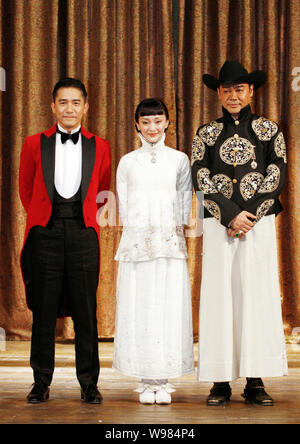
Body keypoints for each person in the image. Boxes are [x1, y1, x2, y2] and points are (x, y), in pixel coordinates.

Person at [191, 61, 288, 406]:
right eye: (227, 89)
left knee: (256, 296)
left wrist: (250, 216)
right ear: (218, 93)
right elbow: (200, 177)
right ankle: (219, 379)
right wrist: (230, 216)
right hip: (220, 225)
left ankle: (256, 378)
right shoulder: (205, 133)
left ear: (250, 91)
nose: (233, 96)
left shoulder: (269, 130)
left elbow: (276, 173)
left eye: (239, 89)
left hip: (258, 225)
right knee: (219, 296)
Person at [19, 77, 111, 404]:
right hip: (46, 232)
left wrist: (85, 220)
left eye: (76, 102)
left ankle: (89, 383)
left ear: (86, 106)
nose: (69, 108)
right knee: (43, 311)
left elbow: (103, 189)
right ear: (52, 106)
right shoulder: (33, 143)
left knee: (86, 312)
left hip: (84, 233)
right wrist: (45, 220)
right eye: (63, 102)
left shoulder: (101, 146)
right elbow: (26, 190)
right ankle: (40, 382)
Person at [113, 98, 194, 404]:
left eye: (158, 121)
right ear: (137, 124)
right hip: (137, 247)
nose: (152, 128)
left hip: (169, 247)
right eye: (146, 122)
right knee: (140, 308)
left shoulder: (179, 160)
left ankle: (164, 379)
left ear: (167, 123)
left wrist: (172, 232)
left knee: (167, 310)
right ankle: (146, 380)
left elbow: (185, 202)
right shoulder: (128, 161)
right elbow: (123, 203)